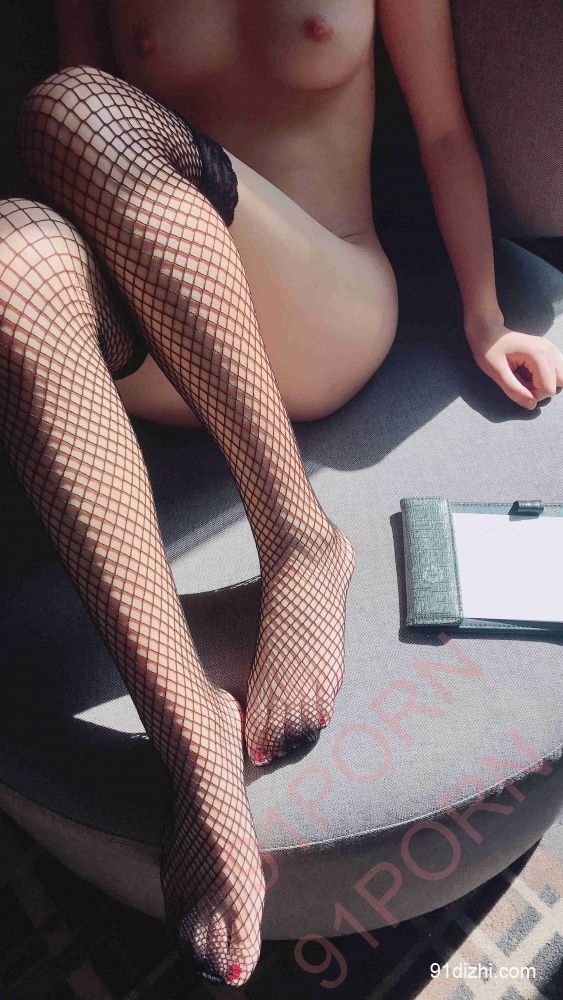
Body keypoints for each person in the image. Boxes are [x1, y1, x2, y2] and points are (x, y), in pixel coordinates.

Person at [0, 0, 561, 988]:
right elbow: (84, 190)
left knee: (72, 107)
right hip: (167, 343)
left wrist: (484, 314)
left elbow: (441, 131)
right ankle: (189, 734)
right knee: (16, 253)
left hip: (322, 310)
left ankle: (299, 537)